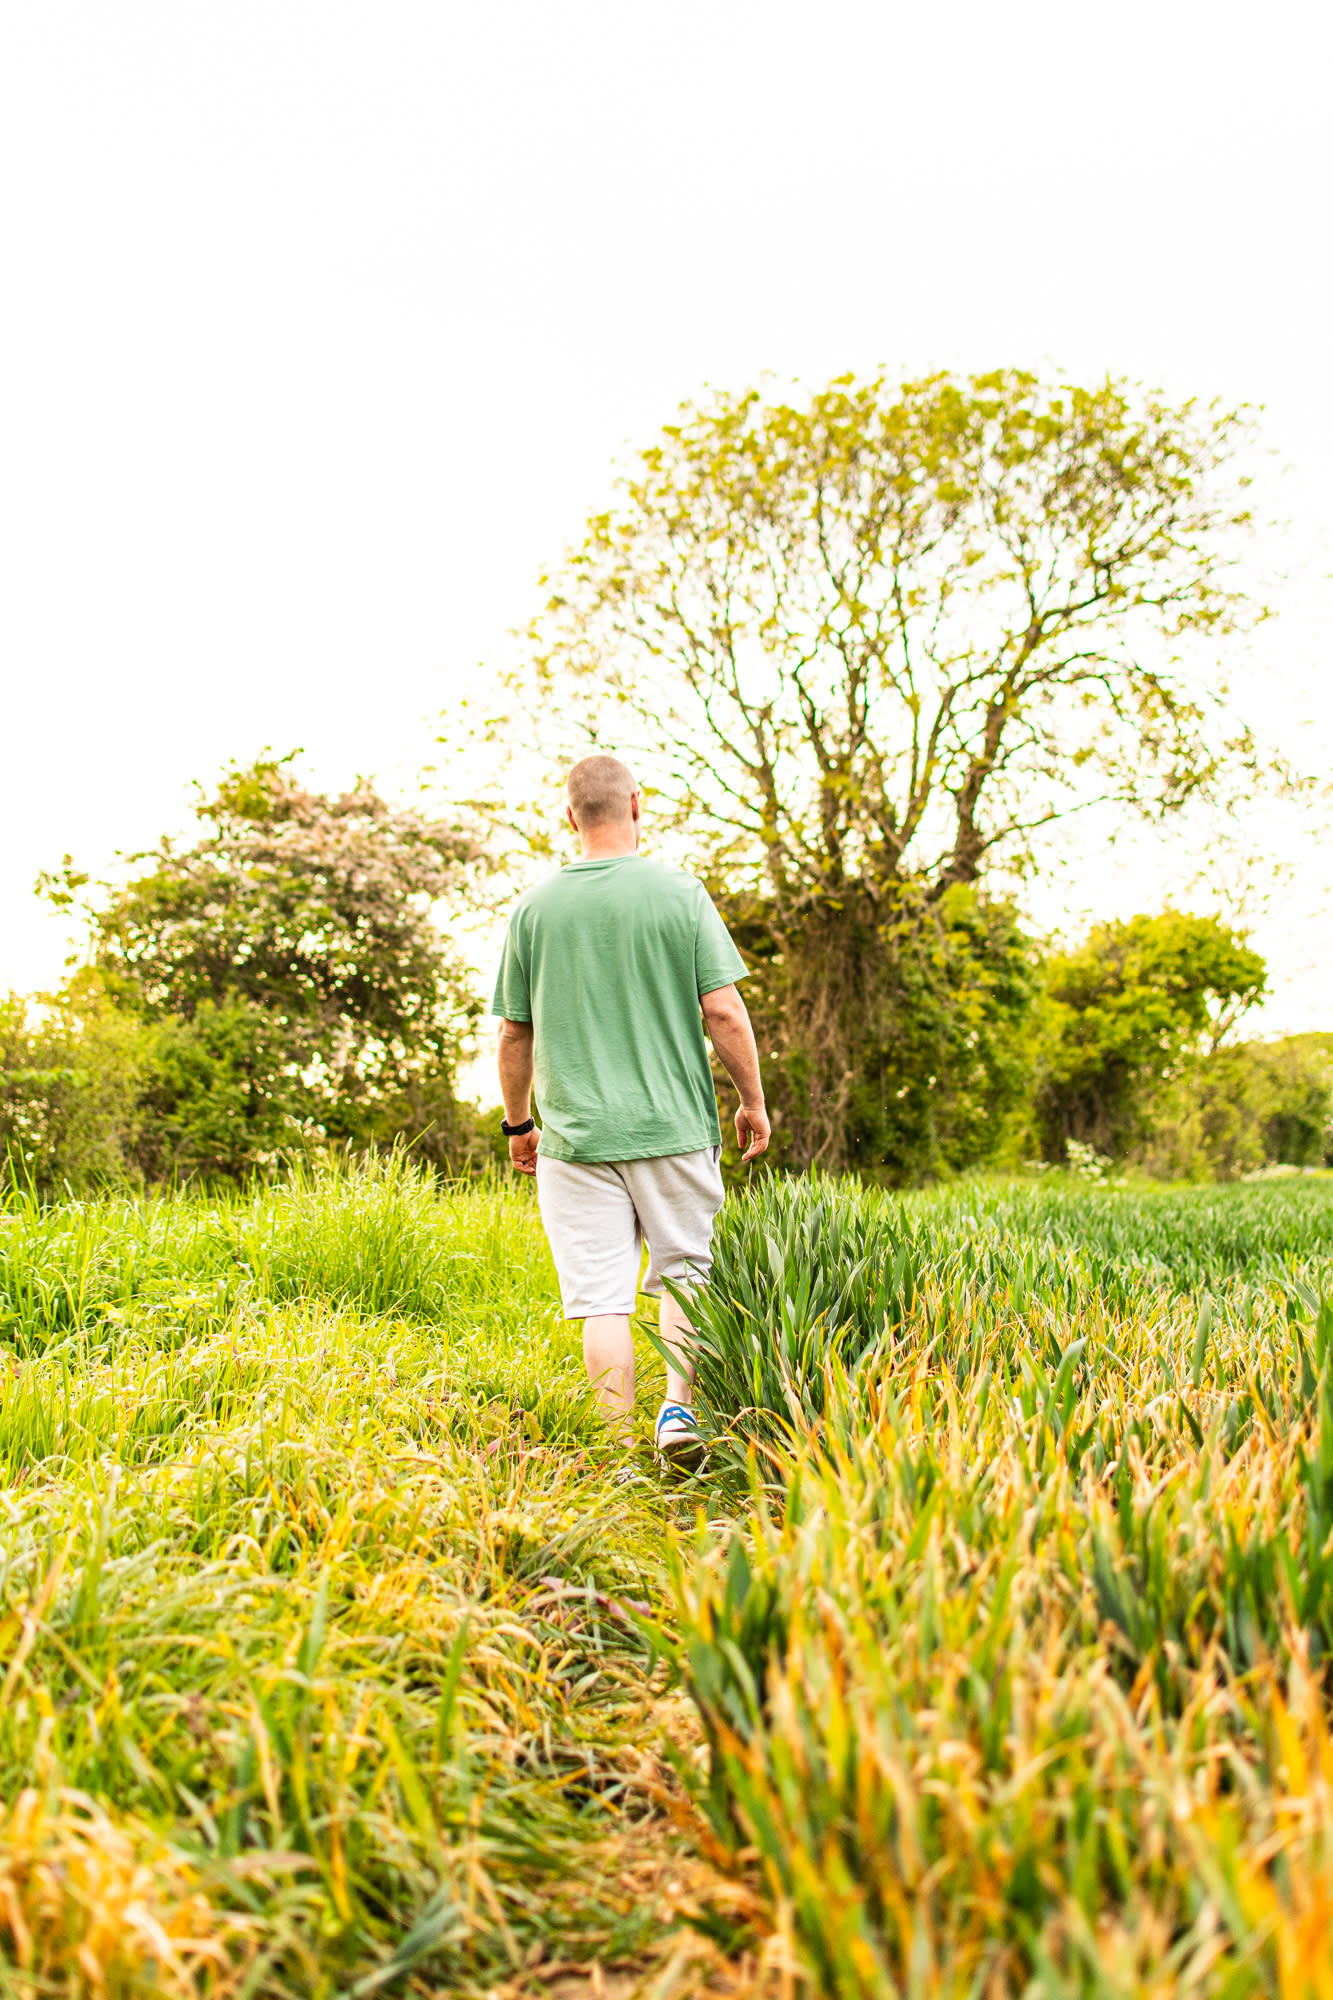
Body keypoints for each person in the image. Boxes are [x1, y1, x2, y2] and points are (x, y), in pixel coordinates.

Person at [492, 754, 770, 1469]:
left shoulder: (533, 908)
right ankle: (679, 1412)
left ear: (569, 815)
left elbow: (513, 1032)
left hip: (575, 1140)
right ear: (637, 806)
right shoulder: (679, 894)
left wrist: (520, 1125)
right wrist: (751, 1102)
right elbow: (723, 1011)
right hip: (673, 1128)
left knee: (600, 1299)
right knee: (684, 1271)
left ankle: (615, 1452)